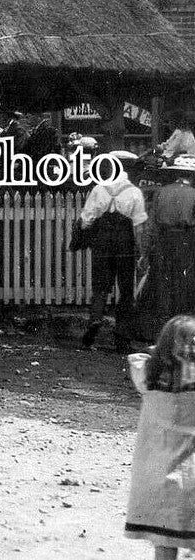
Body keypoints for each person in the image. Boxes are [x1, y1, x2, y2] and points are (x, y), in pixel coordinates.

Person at [123, 315, 195, 560]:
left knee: (164, 540)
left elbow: (139, 358)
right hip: (190, 474)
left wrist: (162, 352)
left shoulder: (148, 380)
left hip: (158, 474)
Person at [78, 152, 148, 351]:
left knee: (100, 287)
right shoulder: (134, 192)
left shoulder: (99, 189)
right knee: (126, 290)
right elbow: (139, 227)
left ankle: (95, 320)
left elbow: (86, 221)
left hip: (102, 244)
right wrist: (141, 252)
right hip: (125, 245)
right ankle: (122, 338)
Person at [141, 160, 195, 338]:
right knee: (184, 284)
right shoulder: (193, 194)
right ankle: (181, 330)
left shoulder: (161, 192)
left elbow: (152, 225)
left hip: (163, 241)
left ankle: (162, 331)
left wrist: (145, 251)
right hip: (186, 241)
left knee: (163, 284)